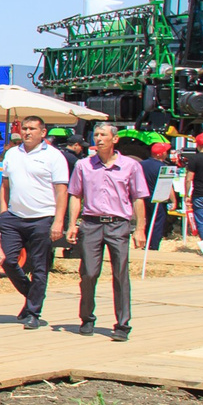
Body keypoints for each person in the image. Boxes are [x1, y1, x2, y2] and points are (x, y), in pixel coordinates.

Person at [69, 123, 148, 339]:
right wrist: (71, 224)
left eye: (103, 135)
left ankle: (122, 325)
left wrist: (139, 228)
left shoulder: (130, 166)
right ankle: (86, 317)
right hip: (91, 223)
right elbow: (75, 195)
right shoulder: (83, 166)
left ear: (115, 139)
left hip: (118, 224)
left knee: (120, 273)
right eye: (96, 135)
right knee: (88, 273)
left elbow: (138, 197)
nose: (99, 139)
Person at [0, 114, 70, 330]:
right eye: (24, 128)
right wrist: (4, 212)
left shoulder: (54, 157)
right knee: (7, 261)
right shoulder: (12, 153)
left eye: (32, 129)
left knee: (39, 267)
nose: (27, 132)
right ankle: (32, 295)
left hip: (43, 218)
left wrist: (58, 221)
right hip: (14, 217)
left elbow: (61, 191)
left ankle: (33, 312)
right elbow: (5, 185)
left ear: (43, 132)